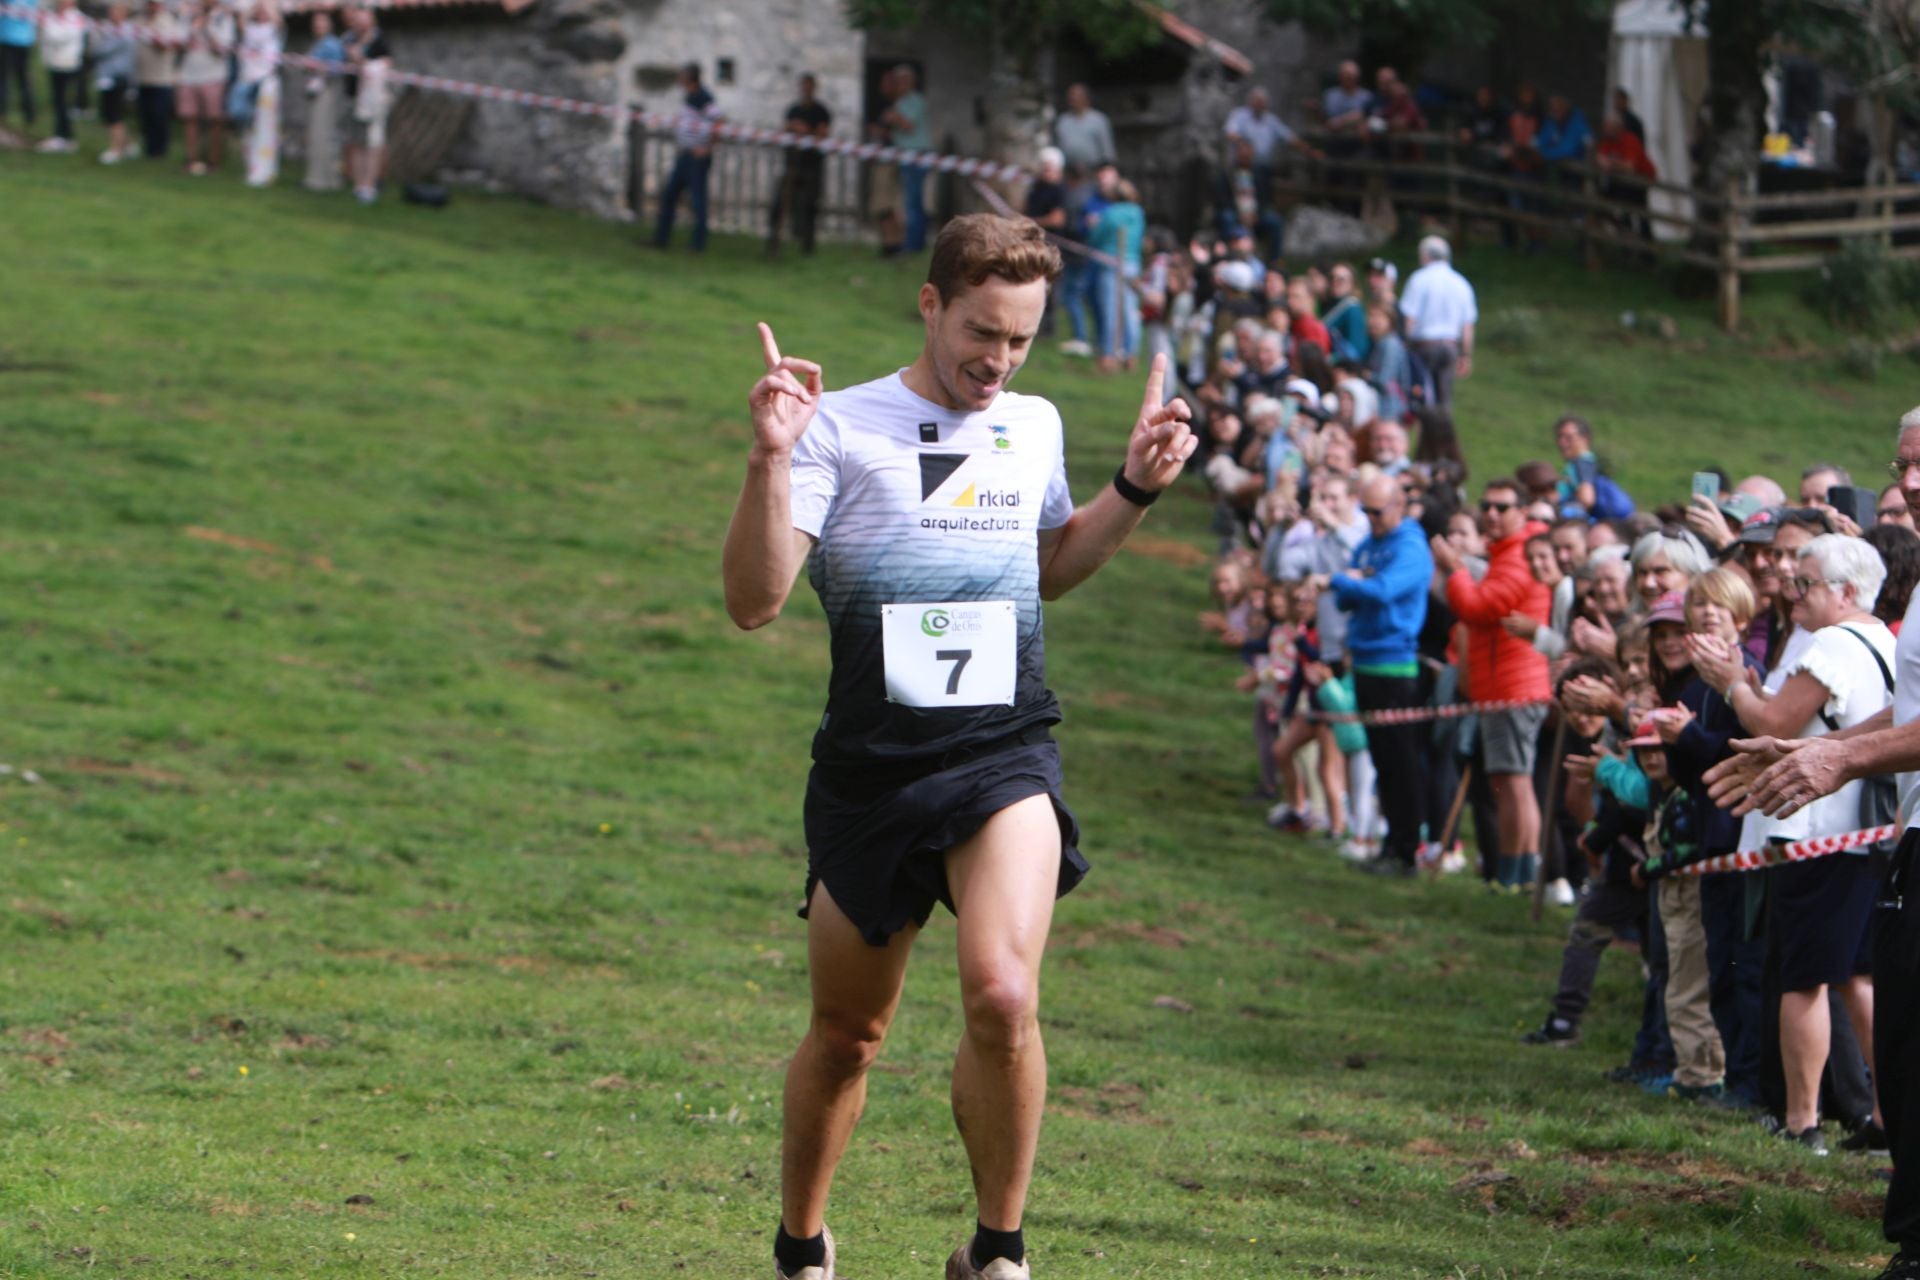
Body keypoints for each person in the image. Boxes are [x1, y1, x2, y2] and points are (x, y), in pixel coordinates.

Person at [722, 214, 1196, 1280]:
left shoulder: (1032, 425)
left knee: (1002, 992)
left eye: (1021, 339)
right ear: (931, 305)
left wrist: (1137, 488)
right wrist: (769, 457)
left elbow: (1048, 571)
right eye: (983, 330)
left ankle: (998, 1249)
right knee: (849, 1034)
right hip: (871, 770)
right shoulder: (839, 427)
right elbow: (753, 601)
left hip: (1001, 752)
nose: (999, 359)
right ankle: (803, 1245)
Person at [1696, 534, 1894, 1155]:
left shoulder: (1831, 643)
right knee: (1860, 976)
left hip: (1815, 831)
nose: (1791, 590)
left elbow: (1776, 724)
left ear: (1847, 592)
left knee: (1803, 977)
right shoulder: (1888, 641)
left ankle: (1801, 1119)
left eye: (1805, 582)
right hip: (1866, 835)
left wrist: (1733, 684)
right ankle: (1887, 1119)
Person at [1434, 478, 1551, 890]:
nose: (1492, 514)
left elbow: (1477, 607)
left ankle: (1517, 874)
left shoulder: (1518, 557)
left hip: (1514, 686)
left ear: (1522, 510)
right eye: (1487, 505)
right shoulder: (1509, 553)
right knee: (1508, 782)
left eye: (1502, 507)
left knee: (1515, 783)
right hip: (1505, 685)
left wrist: (1455, 570)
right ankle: (1514, 871)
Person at [1330, 474, 1433, 874]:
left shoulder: (1410, 546)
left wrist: (1344, 580)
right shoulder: (1369, 544)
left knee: (1401, 762)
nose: (1370, 520)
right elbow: (1345, 599)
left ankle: (1408, 850)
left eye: (1377, 512)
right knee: (1382, 762)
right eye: (1366, 512)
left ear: (1399, 507)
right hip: (1366, 661)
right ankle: (1391, 843)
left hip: (1395, 665)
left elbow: (1383, 590)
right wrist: (1352, 584)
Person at [1398, 235, 1476, 411]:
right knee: (1444, 400)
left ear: (1425, 255)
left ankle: (1425, 433)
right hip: (1450, 346)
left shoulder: (1419, 279)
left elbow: (1409, 318)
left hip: (1424, 346)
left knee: (1423, 397)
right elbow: (1467, 325)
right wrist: (1466, 355)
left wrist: (1404, 346)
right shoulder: (1461, 283)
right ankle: (1443, 434)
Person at [652, 62, 720, 247]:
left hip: (696, 158)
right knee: (670, 196)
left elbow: (718, 121)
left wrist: (707, 148)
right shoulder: (689, 96)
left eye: (682, 76)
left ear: (690, 77)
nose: (679, 79)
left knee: (697, 200)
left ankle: (698, 243)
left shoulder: (702, 97)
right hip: (685, 155)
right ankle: (661, 238)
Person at [768, 72, 832, 258]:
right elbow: (785, 130)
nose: (806, 89)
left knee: (810, 205)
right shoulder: (793, 110)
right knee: (781, 202)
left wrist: (807, 131)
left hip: (812, 165)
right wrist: (792, 128)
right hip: (792, 163)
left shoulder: (821, 111)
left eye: (809, 85)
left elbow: (823, 133)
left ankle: (808, 245)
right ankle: (775, 241)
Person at [1087, 174, 1145, 373]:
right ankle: (1131, 354)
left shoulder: (1110, 213)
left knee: (1110, 311)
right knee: (1129, 311)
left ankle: (1108, 355)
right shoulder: (1138, 213)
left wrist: (1092, 227)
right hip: (1132, 264)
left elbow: (1096, 236)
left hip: (1110, 263)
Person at [175, 0, 234, 176]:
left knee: (215, 119)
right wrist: (191, 27)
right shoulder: (187, 15)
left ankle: (213, 160)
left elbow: (222, 49)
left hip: (214, 76)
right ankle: (192, 159)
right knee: (189, 118)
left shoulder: (223, 18)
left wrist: (207, 28)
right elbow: (178, 43)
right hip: (188, 75)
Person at [883, 64, 931, 254]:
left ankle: (912, 245)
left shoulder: (915, 101)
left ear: (910, 82)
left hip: (916, 155)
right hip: (905, 155)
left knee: (913, 202)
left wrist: (893, 116)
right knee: (911, 202)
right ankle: (914, 242)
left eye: (902, 81)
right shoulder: (900, 101)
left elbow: (908, 125)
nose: (899, 85)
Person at [236, 0, 284, 188]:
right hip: (247, 81)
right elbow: (241, 21)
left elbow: (278, 21)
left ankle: (264, 168)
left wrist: (267, 5)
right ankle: (250, 164)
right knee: (245, 123)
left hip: (266, 84)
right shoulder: (250, 28)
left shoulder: (274, 30)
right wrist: (254, 6)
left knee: (264, 125)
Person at [301, 8, 345, 191]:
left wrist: (317, 67)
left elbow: (336, 68)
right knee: (316, 135)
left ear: (330, 24)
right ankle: (318, 177)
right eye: (316, 22)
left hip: (327, 90)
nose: (318, 25)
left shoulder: (332, 44)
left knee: (323, 134)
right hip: (317, 91)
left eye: (322, 21)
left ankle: (323, 179)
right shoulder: (318, 43)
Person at [34, 0, 84, 153]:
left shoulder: (76, 17)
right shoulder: (53, 16)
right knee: (58, 101)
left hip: (67, 63)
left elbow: (59, 37)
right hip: (54, 63)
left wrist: (46, 27)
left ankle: (65, 136)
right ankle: (61, 134)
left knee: (63, 101)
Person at [132, 0, 179, 159]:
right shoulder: (141, 19)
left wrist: (149, 35)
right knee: (146, 114)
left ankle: (160, 148)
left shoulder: (167, 20)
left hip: (161, 77)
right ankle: (149, 146)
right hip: (143, 74)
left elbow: (167, 45)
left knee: (159, 114)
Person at [90, 3, 137, 163]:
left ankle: (116, 149)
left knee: (113, 114)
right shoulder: (108, 29)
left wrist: (99, 37)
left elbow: (101, 50)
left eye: (116, 11)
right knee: (113, 113)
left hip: (118, 77)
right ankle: (128, 145)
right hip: (107, 77)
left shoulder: (125, 32)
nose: (112, 14)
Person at [865, 67, 905, 257]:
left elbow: (901, 131)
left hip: (893, 159)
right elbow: (873, 129)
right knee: (881, 205)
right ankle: (888, 243)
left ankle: (894, 243)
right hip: (880, 158)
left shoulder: (901, 105)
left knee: (889, 204)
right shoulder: (877, 103)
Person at [1053, 82, 1113, 172]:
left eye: (1076, 95)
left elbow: (1107, 149)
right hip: (1068, 171)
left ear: (1085, 98)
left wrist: (1107, 168)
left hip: (1092, 170)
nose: (1072, 98)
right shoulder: (1062, 120)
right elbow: (1056, 145)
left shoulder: (1099, 120)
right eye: (1071, 95)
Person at [0, 0, 37, 131]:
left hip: (9, 39)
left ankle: (5, 111)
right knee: (22, 79)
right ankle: (29, 113)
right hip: (25, 40)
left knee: (4, 79)